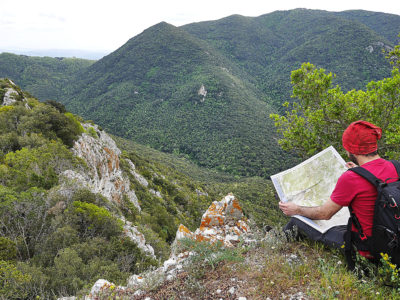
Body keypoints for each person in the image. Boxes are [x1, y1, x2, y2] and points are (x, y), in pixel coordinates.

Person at [278, 120, 398, 258]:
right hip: (392, 241)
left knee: (296, 221)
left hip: (368, 249)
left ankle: (277, 247)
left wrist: (296, 209)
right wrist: (361, 172)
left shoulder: (351, 178)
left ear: (351, 150)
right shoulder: (395, 167)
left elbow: (324, 214)